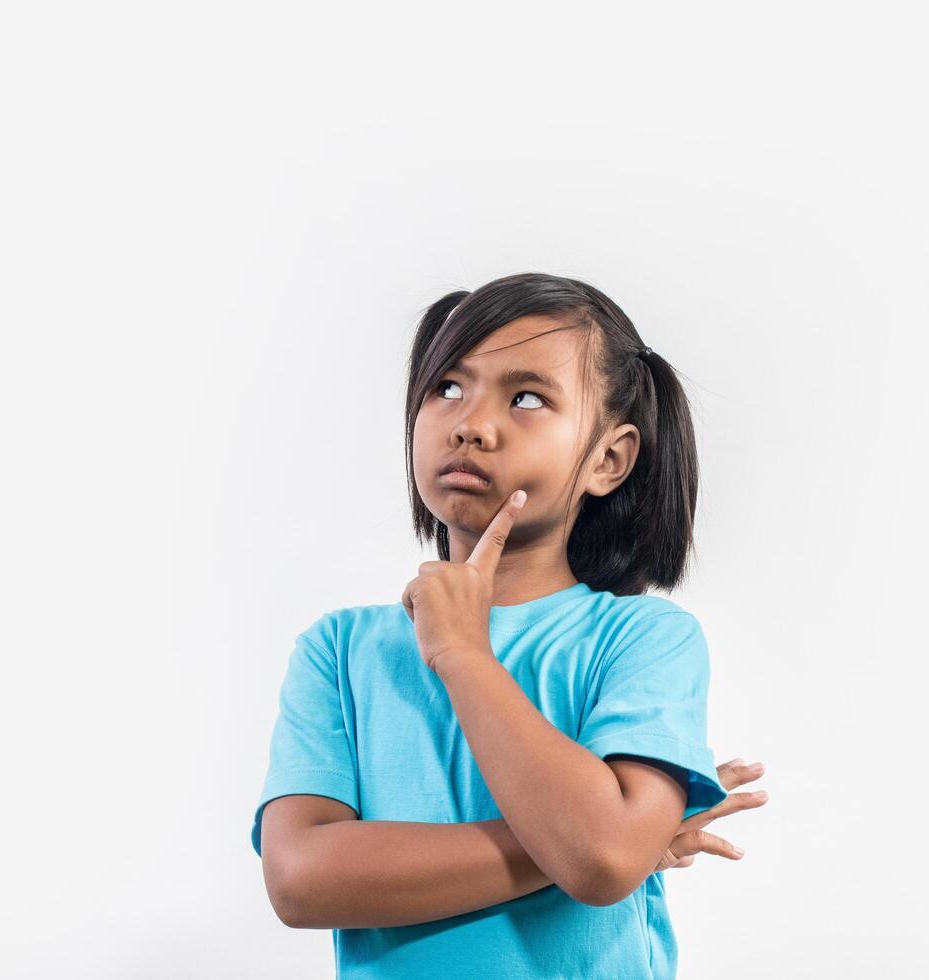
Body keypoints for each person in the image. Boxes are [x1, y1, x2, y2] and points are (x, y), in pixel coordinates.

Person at [250, 272, 770, 978]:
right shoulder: (339, 650)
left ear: (607, 459)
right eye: (447, 388)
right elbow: (300, 880)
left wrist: (463, 654)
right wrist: (601, 839)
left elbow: (603, 859)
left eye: (526, 398)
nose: (470, 422)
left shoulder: (643, 639)